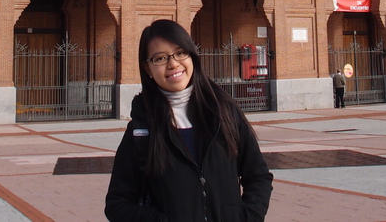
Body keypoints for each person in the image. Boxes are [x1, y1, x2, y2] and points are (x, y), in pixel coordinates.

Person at [105, 19, 273, 221]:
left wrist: (247, 217)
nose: (173, 64)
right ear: (147, 68)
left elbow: (258, 176)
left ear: (192, 55)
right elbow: (117, 206)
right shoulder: (142, 130)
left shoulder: (224, 113)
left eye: (180, 53)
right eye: (160, 58)